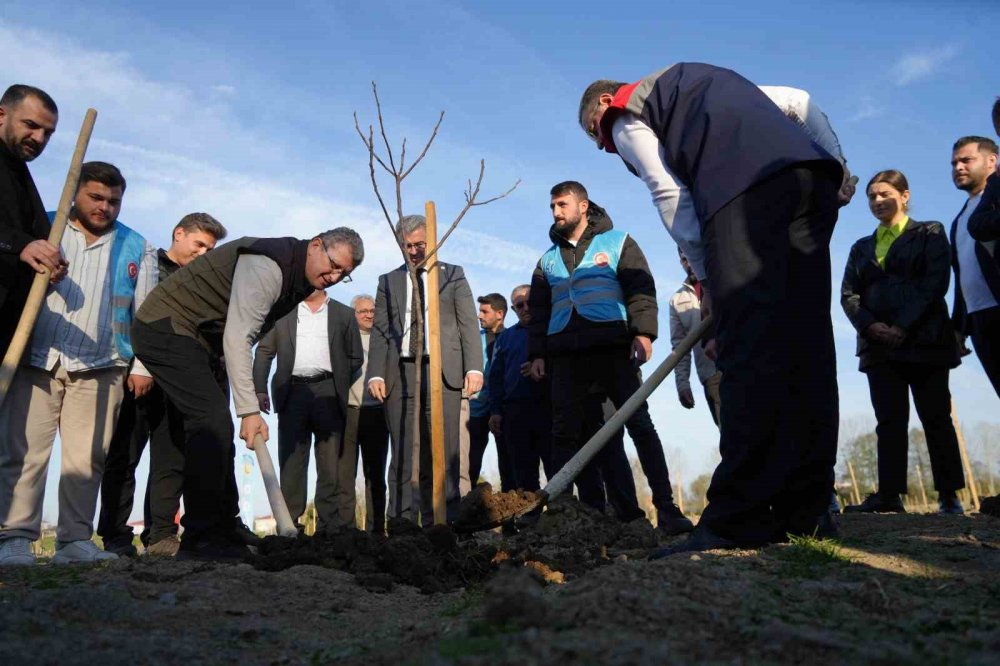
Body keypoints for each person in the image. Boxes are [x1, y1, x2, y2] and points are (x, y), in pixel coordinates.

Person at [579, 63, 845, 552]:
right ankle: (808, 510)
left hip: (742, 195)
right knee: (804, 345)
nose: (602, 145)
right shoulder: (711, 86)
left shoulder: (626, 111)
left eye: (594, 132)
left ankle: (739, 516)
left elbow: (669, 193)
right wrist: (838, 164)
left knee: (746, 350)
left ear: (603, 104)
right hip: (810, 182)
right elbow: (801, 101)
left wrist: (709, 283)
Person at [132, 227, 363, 561]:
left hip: (201, 342)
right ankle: (203, 536)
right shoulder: (270, 265)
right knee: (211, 422)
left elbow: (247, 332)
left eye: (344, 273)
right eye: (333, 264)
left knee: (215, 427)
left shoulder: (300, 281)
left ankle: (225, 524)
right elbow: (240, 336)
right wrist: (250, 411)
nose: (335, 276)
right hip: (165, 326)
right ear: (316, 245)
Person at [0, 162, 156, 566]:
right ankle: (15, 537)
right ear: (76, 192)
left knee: (86, 459)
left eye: (114, 201)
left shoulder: (137, 246)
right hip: (37, 357)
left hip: (102, 364)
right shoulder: (43, 227)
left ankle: (74, 540)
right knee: (24, 452)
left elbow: (146, 313)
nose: (105, 207)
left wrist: (141, 366)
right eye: (96, 197)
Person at [527, 180, 691, 534]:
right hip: (565, 355)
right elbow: (539, 313)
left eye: (562, 204)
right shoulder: (547, 260)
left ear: (583, 206)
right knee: (563, 433)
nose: (556, 212)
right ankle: (560, 514)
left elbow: (640, 288)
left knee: (639, 424)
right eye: (552, 206)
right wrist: (537, 353)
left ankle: (667, 508)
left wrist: (643, 333)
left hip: (613, 347)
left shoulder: (618, 242)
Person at [98, 213, 229, 556]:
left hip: (178, 382)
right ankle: (115, 536)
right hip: (137, 375)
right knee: (124, 456)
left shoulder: (202, 282)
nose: (204, 253)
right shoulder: (147, 266)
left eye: (210, 249)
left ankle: (161, 535)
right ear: (179, 234)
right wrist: (139, 365)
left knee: (170, 459)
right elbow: (132, 314)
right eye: (199, 244)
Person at [841, 170, 965, 516]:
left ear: (905, 196)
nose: (877, 201)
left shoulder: (930, 232)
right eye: (872, 196)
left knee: (936, 416)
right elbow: (849, 295)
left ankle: (949, 495)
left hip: (926, 341)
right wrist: (871, 325)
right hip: (878, 347)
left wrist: (902, 325)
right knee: (889, 420)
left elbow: (935, 283)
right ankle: (890, 495)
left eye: (885, 194)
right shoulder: (860, 247)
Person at [367, 215, 482, 526]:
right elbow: (380, 332)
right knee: (403, 451)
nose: (414, 251)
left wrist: (474, 367)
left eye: (420, 244)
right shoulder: (388, 281)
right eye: (407, 246)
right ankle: (401, 522)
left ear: (432, 241)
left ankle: (445, 521)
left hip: (443, 373)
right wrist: (376, 373)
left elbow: (467, 323)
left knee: (444, 451)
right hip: (400, 373)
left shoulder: (453, 275)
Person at [253, 289, 363, 533]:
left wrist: (338, 377)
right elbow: (264, 351)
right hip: (292, 393)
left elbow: (355, 357)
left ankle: (329, 527)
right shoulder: (282, 312)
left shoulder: (344, 314)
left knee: (330, 463)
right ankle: (290, 526)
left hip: (329, 392)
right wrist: (259, 389)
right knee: (291, 462)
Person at [0, 84, 65, 358]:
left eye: (47, 133)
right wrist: (21, 245)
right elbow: (18, 242)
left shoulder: (21, 177)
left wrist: (49, 264)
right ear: (1, 115)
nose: (39, 138)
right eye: (31, 125)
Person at [949, 135, 1000, 399]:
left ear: (992, 161)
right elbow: (962, 276)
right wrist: (959, 327)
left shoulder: (995, 200)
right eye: (954, 163)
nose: (958, 167)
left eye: (966, 160)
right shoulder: (958, 220)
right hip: (980, 320)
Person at [344, 294, 390, 534]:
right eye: (363, 311)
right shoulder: (344, 338)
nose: (369, 315)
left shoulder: (384, 342)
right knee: (346, 475)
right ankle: (347, 530)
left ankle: (377, 530)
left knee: (376, 476)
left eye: (372, 311)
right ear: (353, 314)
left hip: (377, 413)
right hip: (349, 413)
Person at [669, 250, 721, 426]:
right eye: (684, 259)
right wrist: (682, 383)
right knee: (728, 432)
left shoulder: (721, 277)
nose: (689, 264)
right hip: (711, 375)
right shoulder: (677, 300)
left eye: (691, 257)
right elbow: (679, 346)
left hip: (739, 361)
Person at [465, 293, 512, 490]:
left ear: (499, 314)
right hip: (476, 409)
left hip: (504, 410)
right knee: (470, 462)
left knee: (508, 462)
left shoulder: (513, 338)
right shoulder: (472, 339)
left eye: (485, 311)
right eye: (480, 311)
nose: (479, 316)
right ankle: (465, 502)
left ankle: (511, 504)